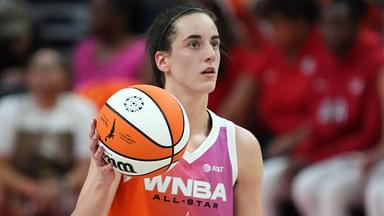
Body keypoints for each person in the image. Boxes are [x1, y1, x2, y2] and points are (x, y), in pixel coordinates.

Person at [72, 2, 263, 216]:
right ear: (162, 60)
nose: (210, 54)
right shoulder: (126, 130)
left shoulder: (241, 145)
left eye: (215, 44)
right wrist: (102, 180)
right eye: (194, 44)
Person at [290, 0, 383, 215]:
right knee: (300, 185)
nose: (332, 32)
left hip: (355, 152)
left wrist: (318, 156)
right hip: (337, 153)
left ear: (357, 25)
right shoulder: (322, 64)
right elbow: (316, 122)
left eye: (340, 24)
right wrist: (305, 152)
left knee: (341, 191)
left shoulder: (374, 62)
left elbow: (370, 132)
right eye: (328, 24)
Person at [0, 48, 97, 215]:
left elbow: (87, 165)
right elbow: (2, 165)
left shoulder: (82, 108)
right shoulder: (8, 108)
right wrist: (31, 189)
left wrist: (59, 187)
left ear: (66, 76)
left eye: (51, 68)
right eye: (38, 68)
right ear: (27, 75)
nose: (44, 74)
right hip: (19, 192)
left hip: (67, 192)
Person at [71, 0, 150, 88]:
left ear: (120, 17)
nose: (92, 18)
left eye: (100, 11)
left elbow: (147, 93)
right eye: (92, 12)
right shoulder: (84, 48)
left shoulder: (142, 51)